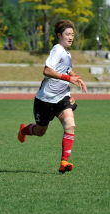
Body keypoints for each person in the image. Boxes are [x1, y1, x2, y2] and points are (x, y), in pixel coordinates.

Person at [17, 19, 87, 174]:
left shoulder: (67, 54)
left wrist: (77, 78)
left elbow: (67, 70)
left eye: (72, 34)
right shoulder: (57, 49)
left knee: (70, 125)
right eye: (67, 34)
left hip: (62, 98)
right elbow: (47, 71)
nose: (70, 37)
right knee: (40, 131)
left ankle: (64, 162)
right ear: (59, 35)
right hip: (44, 100)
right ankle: (24, 130)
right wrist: (70, 79)